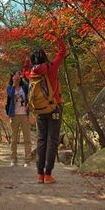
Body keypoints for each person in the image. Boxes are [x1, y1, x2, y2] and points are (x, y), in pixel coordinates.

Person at [24, 36, 67, 183]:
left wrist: (26, 62)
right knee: (52, 140)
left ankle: (39, 174)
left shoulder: (31, 73)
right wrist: (58, 37)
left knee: (41, 140)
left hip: (40, 110)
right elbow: (62, 52)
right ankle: (48, 175)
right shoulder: (51, 67)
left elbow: (24, 72)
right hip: (54, 108)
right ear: (44, 56)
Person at [6, 70, 32, 167]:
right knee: (14, 139)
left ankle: (27, 160)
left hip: (24, 115)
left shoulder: (25, 87)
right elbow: (11, 95)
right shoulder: (9, 88)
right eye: (15, 76)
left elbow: (31, 95)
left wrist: (28, 104)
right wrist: (13, 84)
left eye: (18, 76)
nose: (17, 78)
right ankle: (13, 159)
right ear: (12, 77)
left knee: (27, 139)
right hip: (14, 115)